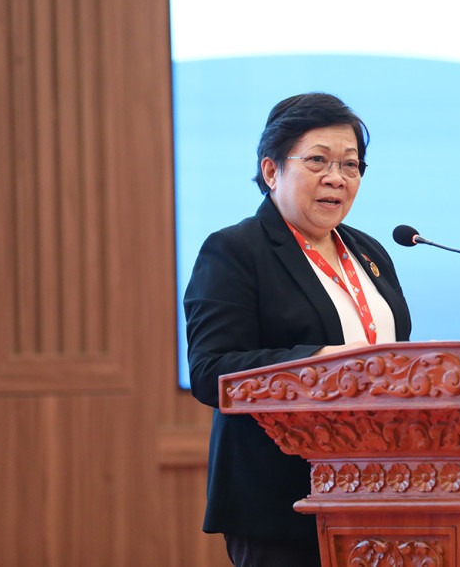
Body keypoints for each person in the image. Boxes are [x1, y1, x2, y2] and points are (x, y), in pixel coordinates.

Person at [185, 92, 411, 567]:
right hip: (282, 501)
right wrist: (321, 363)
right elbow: (210, 371)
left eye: (350, 165)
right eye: (317, 161)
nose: (336, 177)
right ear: (271, 171)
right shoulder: (236, 251)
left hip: (378, 492)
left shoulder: (369, 252)